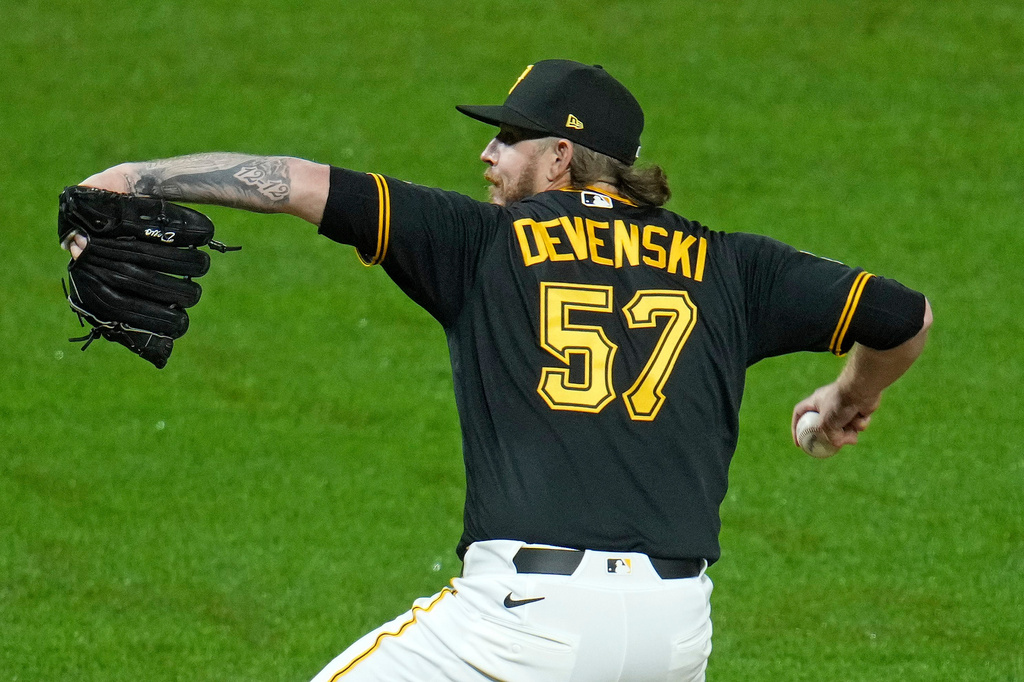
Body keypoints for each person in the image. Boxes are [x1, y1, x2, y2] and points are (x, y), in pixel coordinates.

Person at [69, 59, 932, 681]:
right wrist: (849, 397)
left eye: (508, 140)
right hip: (674, 636)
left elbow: (291, 183)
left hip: (524, 626)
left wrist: (129, 176)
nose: (487, 156)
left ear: (561, 159)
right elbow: (905, 315)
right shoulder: (732, 266)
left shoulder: (485, 243)